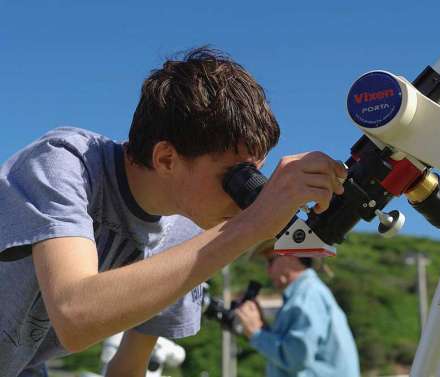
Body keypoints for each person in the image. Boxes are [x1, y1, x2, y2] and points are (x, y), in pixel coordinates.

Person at [0, 47, 347, 377]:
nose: (244, 197)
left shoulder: (184, 238)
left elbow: (127, 368)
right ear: (166, 158)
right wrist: (252, 223)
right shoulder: (65, 165)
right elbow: (74, 315)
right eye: (234, 177)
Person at [235, 242, 360, 377]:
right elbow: (294, 351)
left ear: (291, 257)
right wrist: (261, 326)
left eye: (271, 261)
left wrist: (256, 333)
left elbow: (295, 359)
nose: (268, 271)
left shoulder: (307, 296)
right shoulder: (307, 293)